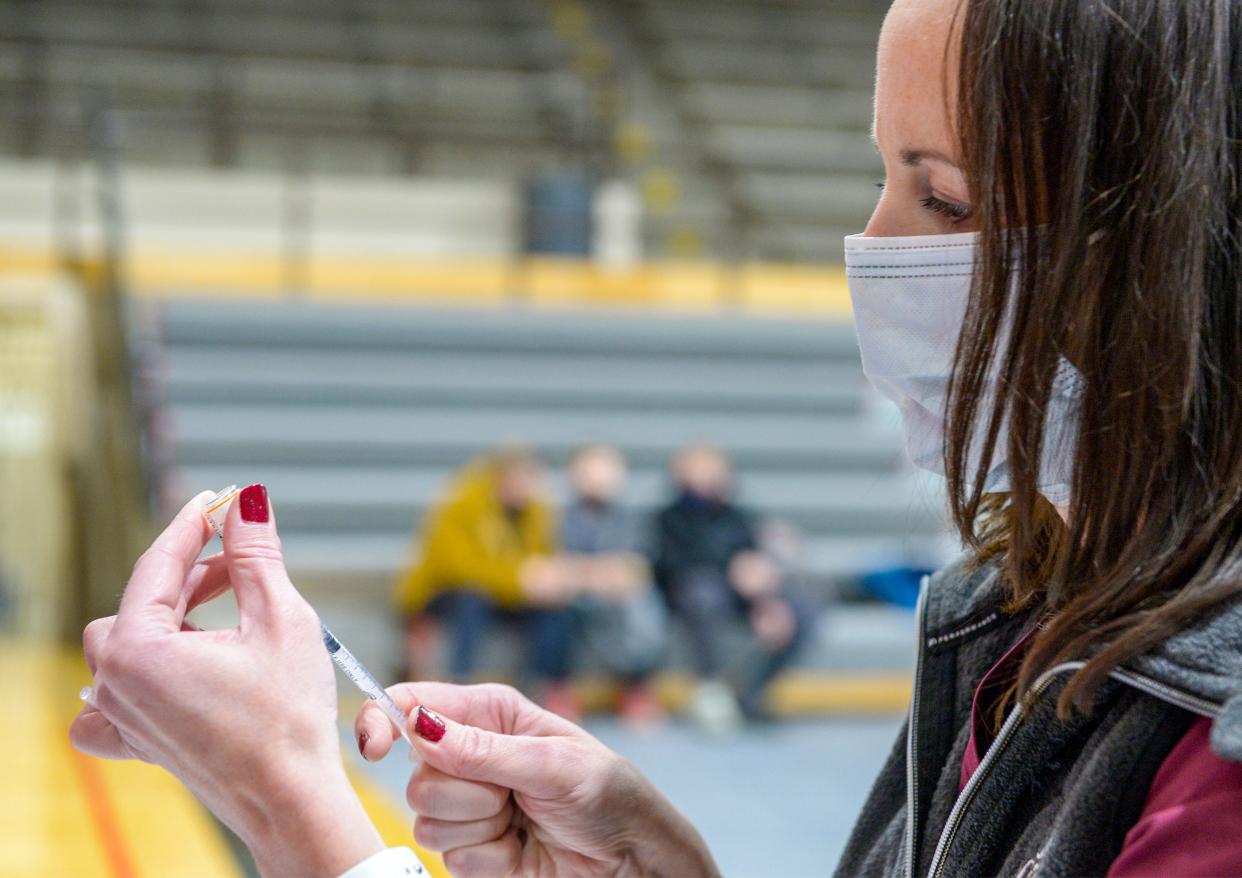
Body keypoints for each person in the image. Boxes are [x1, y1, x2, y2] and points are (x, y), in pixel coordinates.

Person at [71, 1, 1242, 875]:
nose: (872, 247)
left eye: (942, 199)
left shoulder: (1218, 765)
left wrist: (294, 810)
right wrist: (656, 855)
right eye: (881, 176)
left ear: (1170, 250)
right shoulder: (1023, 605)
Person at [394, 448, 579, 715]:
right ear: (501, 477)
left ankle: (534, 690)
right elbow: (458, 568)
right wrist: (520, 580)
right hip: (444, 592)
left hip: (502, 594)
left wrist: (546, 581)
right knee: (472, 601)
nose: (527, 487)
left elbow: (539, 558)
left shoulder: (536, 512)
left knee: (552, 611)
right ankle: (459, 684)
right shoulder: (465, 503)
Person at [653, 444, 811, 727]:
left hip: (741, 594)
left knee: (801, 609)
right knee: (703, 593)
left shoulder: (740, 516)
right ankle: (710, 687)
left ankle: (753, 692)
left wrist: (765, 598)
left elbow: (755, 560)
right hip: (693, 595)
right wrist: (732, 570)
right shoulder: (669, 517)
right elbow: (672, 566)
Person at [559, 444, 668, 725]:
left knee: (643, 606)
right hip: (576, 594)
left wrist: (601, 574)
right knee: (556, 609)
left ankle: (635, 685)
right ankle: (558, 687)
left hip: (616, 595)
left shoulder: (631, 520)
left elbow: (637, 568)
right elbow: (558, 566)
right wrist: (597, 574)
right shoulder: (560, 518)